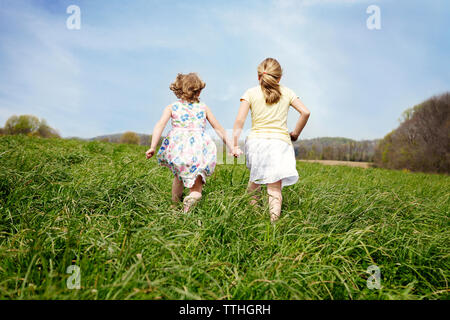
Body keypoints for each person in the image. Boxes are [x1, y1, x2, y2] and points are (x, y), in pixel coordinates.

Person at [146, 73, 238, 212]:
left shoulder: (172, 107)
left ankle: (174, 207)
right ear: (199, 90)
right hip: (199, 152)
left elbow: (160, 125)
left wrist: (153, 146)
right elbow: (218, 128)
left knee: (178, 176)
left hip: (179, 152)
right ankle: (189, 203)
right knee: (196, 187)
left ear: (179, 89)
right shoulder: (203, 107)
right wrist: (232, 147)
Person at [232, 58, 311, 222]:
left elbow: (240, 120)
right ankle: (273, 226)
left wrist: (234, 143)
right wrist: (295, 133)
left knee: (254, 182)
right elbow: (305, 112)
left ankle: (254, 219)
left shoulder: (250, 93)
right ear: (279, 77)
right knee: (275, 189)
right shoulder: (287, 92)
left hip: (256, 143)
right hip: (280, 143)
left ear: (258, 76)